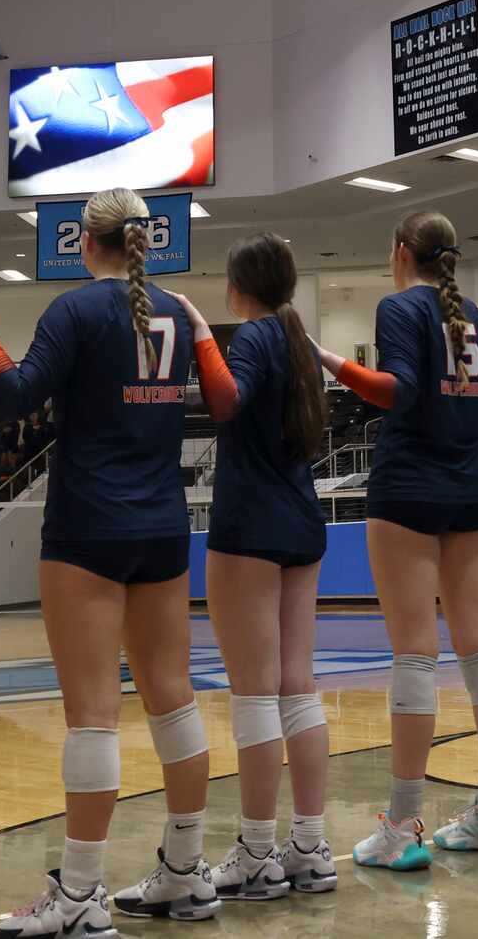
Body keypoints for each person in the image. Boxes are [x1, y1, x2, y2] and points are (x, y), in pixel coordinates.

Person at [0, 187, 238, 932]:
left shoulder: (74, 311)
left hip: (86, 529)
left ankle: (80, 895)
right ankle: (186, 871)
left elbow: (14, 395)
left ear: (85, 241)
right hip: (162, 528)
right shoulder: (176, 311)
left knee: (92, 716)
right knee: (174, 700)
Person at [310, 210, 478, 874]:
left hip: (408, 490)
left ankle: (402, 826)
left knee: (414, 654)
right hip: (469, 490)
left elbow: (395, 392)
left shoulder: (398, 308)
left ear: (402, 252)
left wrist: (324, 358)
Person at [195, 234, 339, 896]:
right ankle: (309, 843)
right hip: (300, 520)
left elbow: (225, 399)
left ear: (237, 286)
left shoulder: (252, 338)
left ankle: (256, 852)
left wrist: (200, 338)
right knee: (296, 685)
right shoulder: (301, 343)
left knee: (254, 691)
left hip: (249, 525)